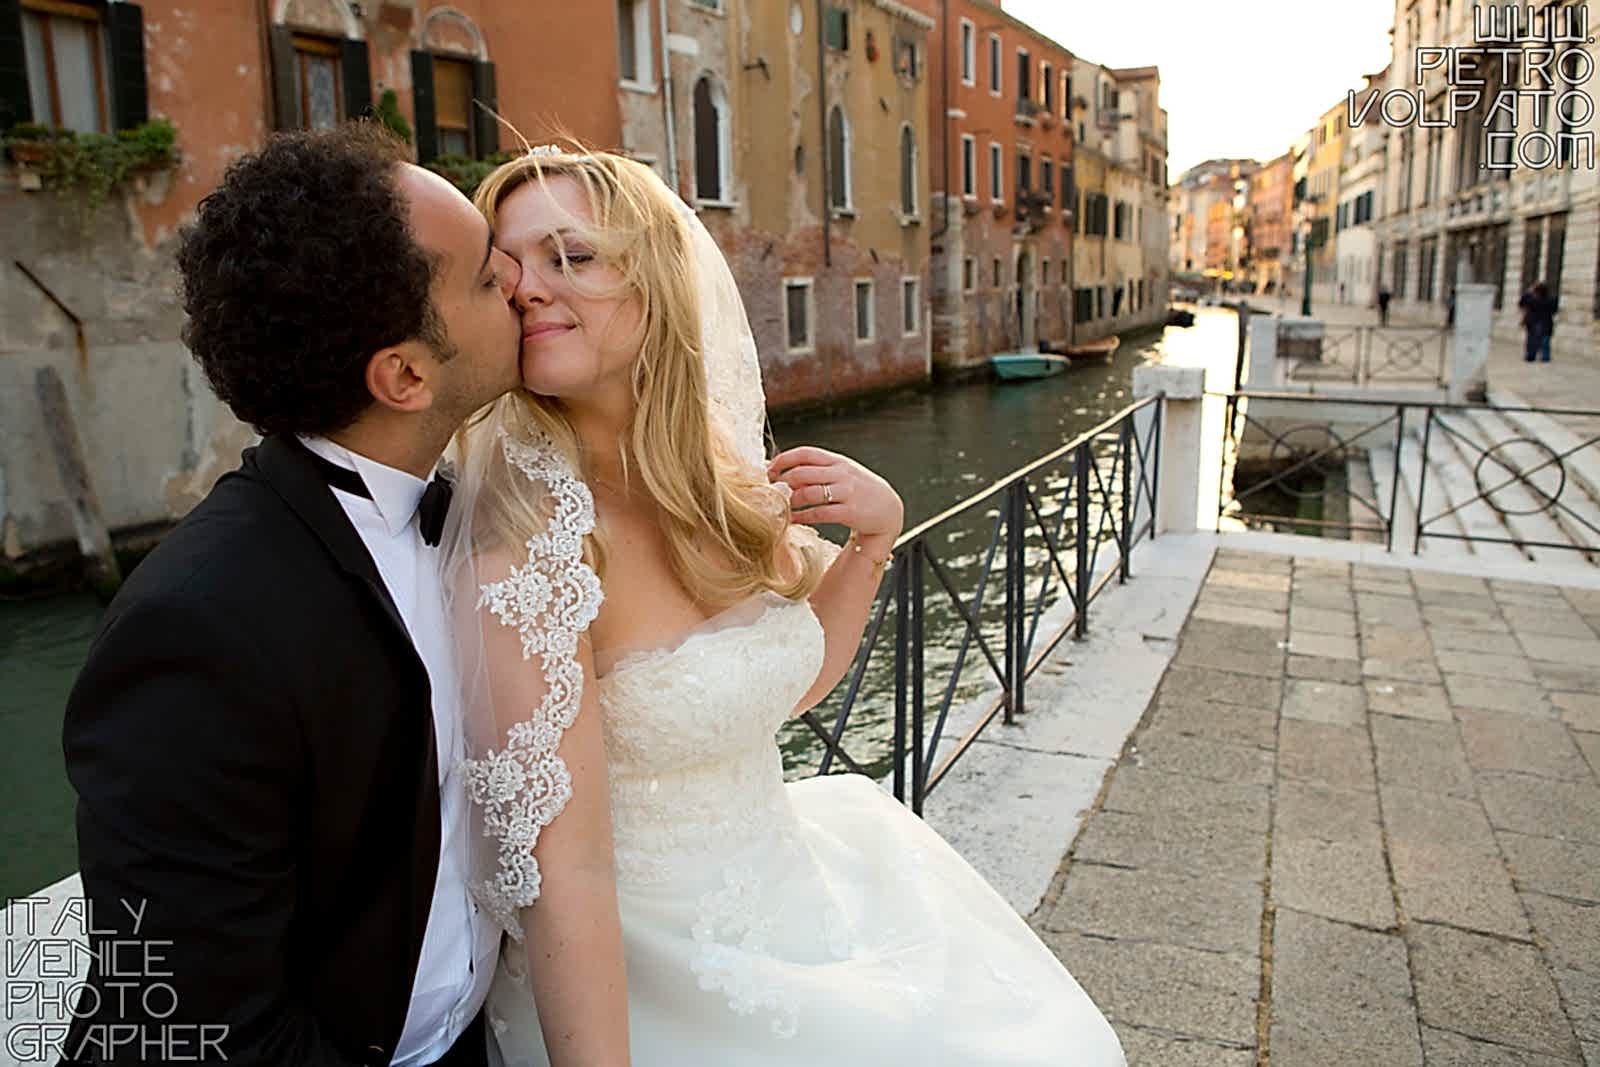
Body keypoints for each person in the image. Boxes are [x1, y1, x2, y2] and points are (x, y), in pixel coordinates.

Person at [445, 146, 1126, 1066]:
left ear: (657, 284)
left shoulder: (718, 484)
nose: (530, 288)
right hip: (643, 964)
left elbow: (785, 684)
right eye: (509, 266)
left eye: (573, 256)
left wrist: (874, 543)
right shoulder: (527, 544)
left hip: (786, 882)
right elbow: (562, 872)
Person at [60, 123, 543, 1065]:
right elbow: (187, 1024)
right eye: (489, 277)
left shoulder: (478, 516)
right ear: (405, 375)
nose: (522, 283)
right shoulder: (197, 627)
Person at [1519, 280, 1556, 362]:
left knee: (1532, 340)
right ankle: (1545, 357)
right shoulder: (1551, 299)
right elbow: (1554, 310)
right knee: (1545, 341)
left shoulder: (1532, 299)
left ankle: (1531, 356)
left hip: (1533, 322)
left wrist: (1529, 291)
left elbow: (1522, 303)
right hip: (1546, 323)